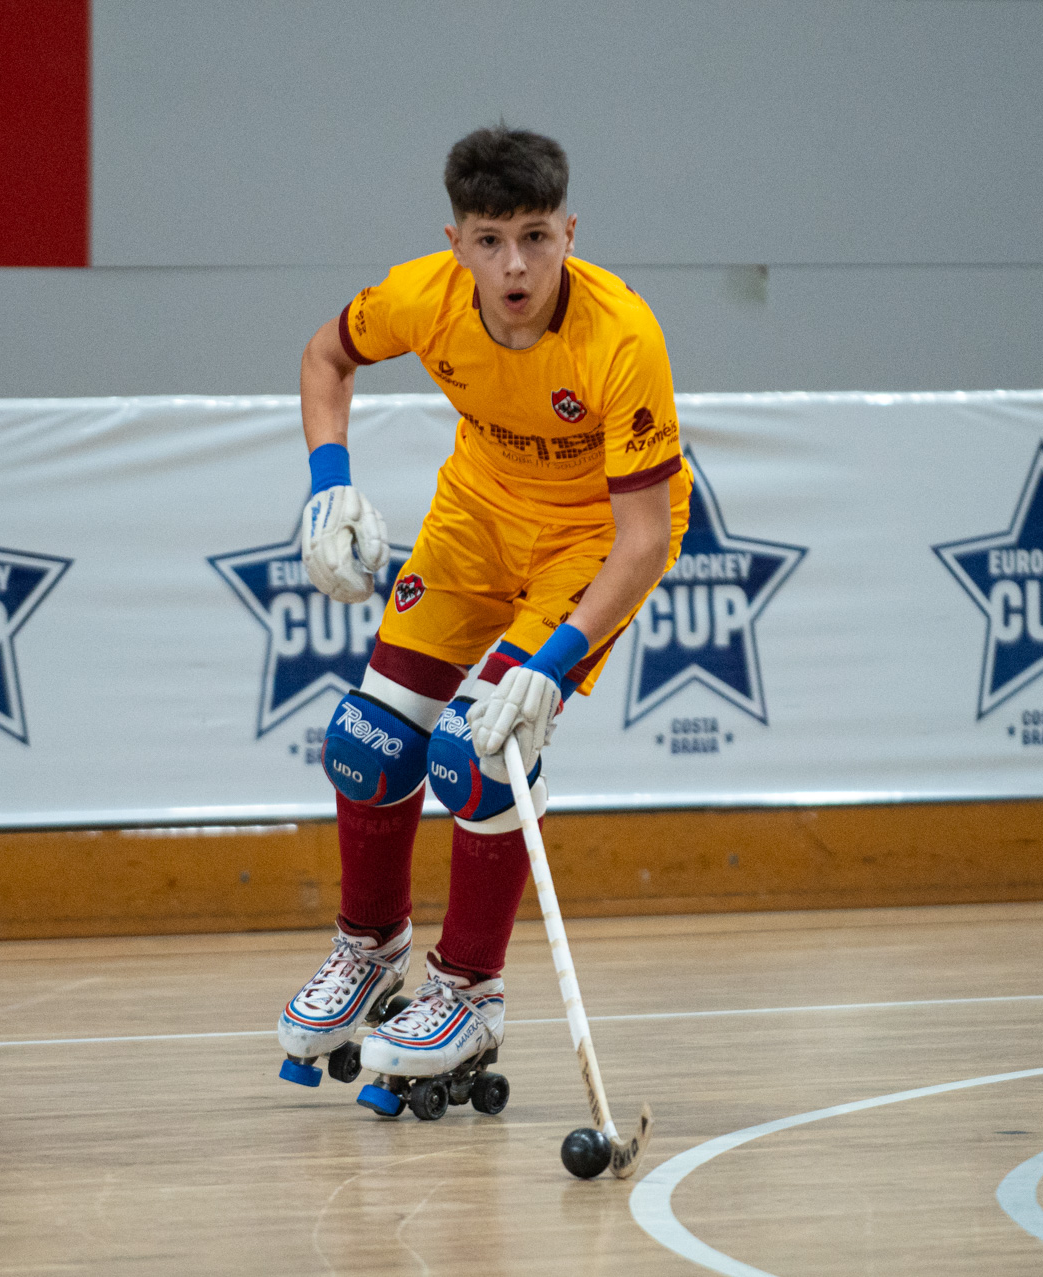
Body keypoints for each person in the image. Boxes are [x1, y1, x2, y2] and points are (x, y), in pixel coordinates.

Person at [276, 126, 690, 1108]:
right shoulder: (423, 296)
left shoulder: (623, 337)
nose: (515, 267)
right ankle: (371, 948)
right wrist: (329, 483)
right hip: (476, 517)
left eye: (537, 238)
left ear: (570, 234)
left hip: (592, 539)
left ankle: (468, 989)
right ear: (455, 241)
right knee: (369, 738)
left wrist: (551, 662)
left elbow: (644, 539)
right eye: (492, 240)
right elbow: (327, 355)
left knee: (482, 746)